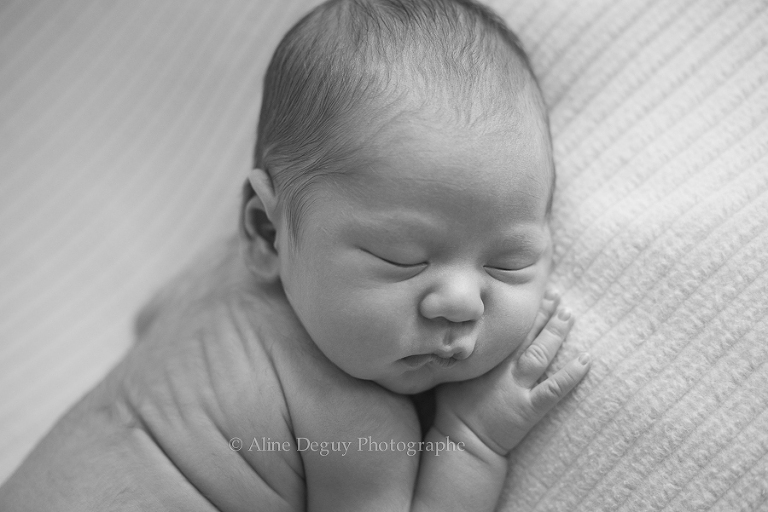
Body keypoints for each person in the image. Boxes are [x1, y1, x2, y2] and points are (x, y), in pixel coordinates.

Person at [0, 0, 590, 510]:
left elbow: (148, 321)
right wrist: (472, 437)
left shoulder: (214, 270)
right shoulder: (360, 430)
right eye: (402, 258)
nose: (461, 303)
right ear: (266, 230)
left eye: (508, 263)